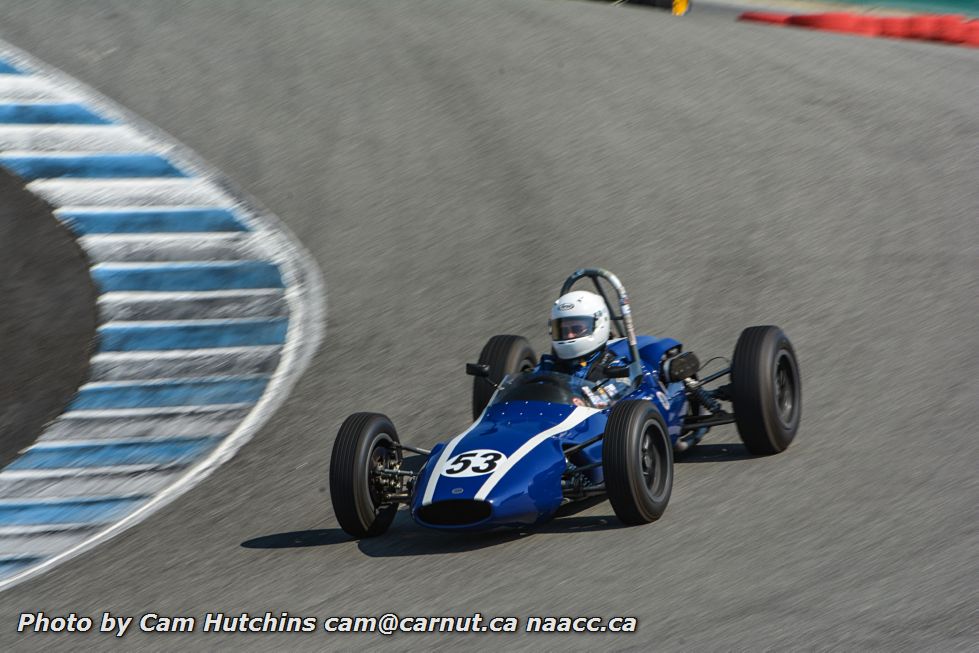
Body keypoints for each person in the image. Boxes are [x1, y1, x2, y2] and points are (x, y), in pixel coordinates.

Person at [537, 290, 629, 407]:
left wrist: (583, 403)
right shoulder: (547, 366)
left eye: (576, 329)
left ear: (599, 324)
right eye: (563, 331)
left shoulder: (615, 367)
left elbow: (617, 396)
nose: (569, 336)